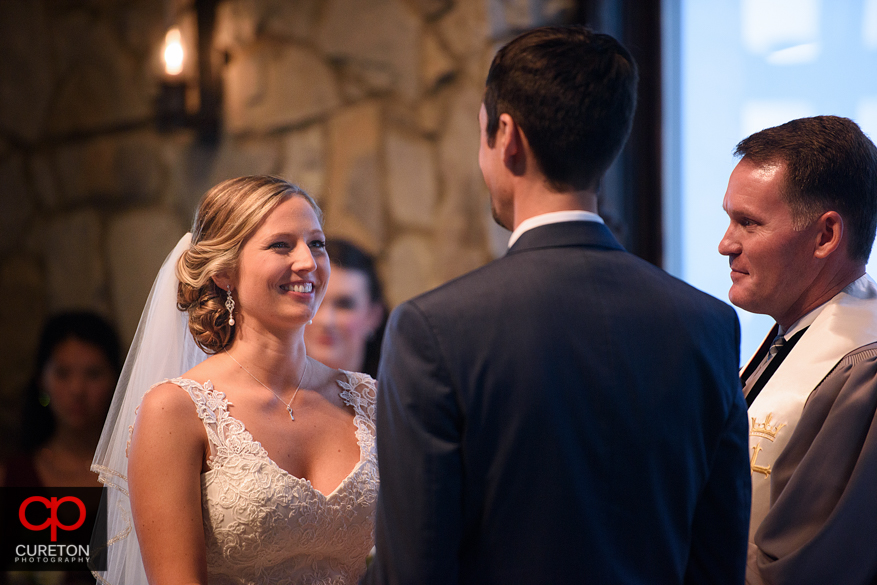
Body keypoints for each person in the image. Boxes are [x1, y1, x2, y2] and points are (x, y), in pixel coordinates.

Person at [364, 25, 750, 585]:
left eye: (482, 137)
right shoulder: (707, 324)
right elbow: (718, 559)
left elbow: (413, 571)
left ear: (507, 136)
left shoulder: (434, 330)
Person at [91, 176, 378, 585]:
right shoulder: (176, 410)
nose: (308, 262)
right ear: (225, 272)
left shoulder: (369, 399)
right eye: (282, 244)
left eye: (316, 243)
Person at [718, 115, 877, 585]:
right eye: (729, 219)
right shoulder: (790, 334)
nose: (726, 244)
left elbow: (809, 566)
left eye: (748, 223)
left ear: (826, 236)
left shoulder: (863, 366)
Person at [1, 311, 120, 488]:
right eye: (62, 374)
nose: (77, 389)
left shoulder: (129, 474)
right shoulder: (12, 477)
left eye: (93, 374)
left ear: (116, 380)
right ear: (41, 381)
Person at [304, 239, 386, 377]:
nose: (326, 321)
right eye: (314, 300)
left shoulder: (394, 396)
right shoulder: (265, 393)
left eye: (344, 305)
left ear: (374, 316)